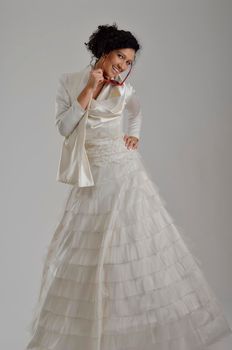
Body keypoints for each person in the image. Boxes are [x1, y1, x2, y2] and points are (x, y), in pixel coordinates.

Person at [25, 23, 232, 350]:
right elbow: (65, 127)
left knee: (129, 247)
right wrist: (89, 89)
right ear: (104, 52)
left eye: (129, 61)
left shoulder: (126, 91)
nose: (123, 65)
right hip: (90, 176)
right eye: (120, 57)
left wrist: (134, 134)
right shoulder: (68, 81)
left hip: (123, 171)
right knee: (89, 251)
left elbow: (135, 114)